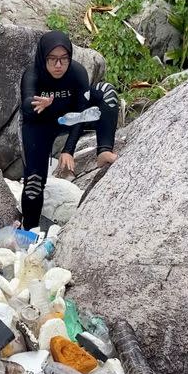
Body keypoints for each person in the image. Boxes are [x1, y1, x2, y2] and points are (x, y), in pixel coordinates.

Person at [19, 30, 119, 230]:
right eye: (53, 59)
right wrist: (38, 104)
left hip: (71, 118)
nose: (58, 65)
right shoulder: (33, 74)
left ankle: (104, 150)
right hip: (40, 124)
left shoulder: (77, 72)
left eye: (64, 59)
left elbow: (82, 112)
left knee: (106, 92)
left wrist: (68, 150)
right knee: (33, 183)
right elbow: (27, 103)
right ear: (43, 57)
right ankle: (29, 231)